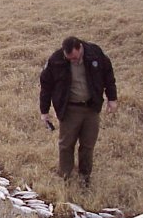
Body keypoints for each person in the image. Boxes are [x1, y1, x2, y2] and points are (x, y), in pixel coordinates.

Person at [39, 36, 117, 184]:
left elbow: (108, 75)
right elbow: (46, 86)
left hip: (91, 107)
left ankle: (85, 176)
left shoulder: (95, 53)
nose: (73, 61)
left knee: (88, 145)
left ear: (80, 47)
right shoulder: (56, 60)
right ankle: (65, 176)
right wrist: (44, 111)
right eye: (70, 59)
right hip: (69, 109)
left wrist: (112, 98)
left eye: (75, 58)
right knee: (66, 144)